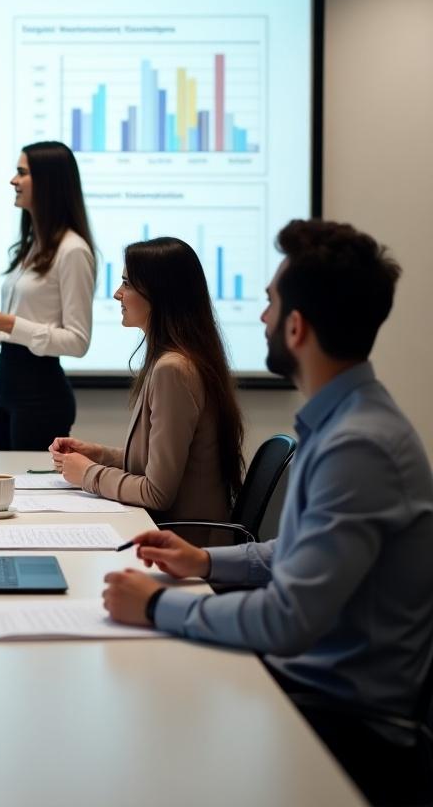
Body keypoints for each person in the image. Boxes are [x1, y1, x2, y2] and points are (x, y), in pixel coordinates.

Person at [102, 220, 433, 796]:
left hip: (342, 720)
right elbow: (294, 554)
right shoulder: (346, 426)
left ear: (297, 327)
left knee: (140, 744)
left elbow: (286, 618)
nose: (261, 318)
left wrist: (157, 607)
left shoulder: (360, 446)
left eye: (270, 304)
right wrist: (205, 563)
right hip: (312, 688)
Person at [49, 237, 242, 527]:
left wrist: (88, 474)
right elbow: (163, 465)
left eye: (126, 284)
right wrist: (99, 455)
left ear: (159, 294)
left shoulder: (173, 370)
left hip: (182, 544)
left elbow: (157, 493)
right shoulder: (179, 360)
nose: (117, 294)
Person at [0, 141, 95, 451]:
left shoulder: (73, 251)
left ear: (47, 181)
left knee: (28, 497)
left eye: (21, 173)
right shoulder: (33, 245)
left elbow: (78, 341)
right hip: (7, 390)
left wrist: (9, 322)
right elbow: (16, 335)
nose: (13, 181)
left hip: (41, 398)